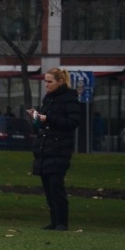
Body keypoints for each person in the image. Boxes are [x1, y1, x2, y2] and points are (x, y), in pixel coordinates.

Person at [29, 67, 82, 231]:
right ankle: (54, 221)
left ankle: (62, 222)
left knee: (56, 186)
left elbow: (73, 122)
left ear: (60, 82)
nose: (46, 85)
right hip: (45, 150)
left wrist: (48, 118)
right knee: (48, 188)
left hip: (59, 149)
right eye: (45, 81)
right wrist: (36, 119)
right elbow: (43, 124)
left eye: (50, 82)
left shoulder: (69, 99)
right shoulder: (48, 99)